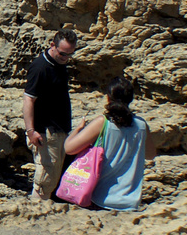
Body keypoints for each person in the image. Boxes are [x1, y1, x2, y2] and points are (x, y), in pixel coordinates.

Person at [64, 76, 155, 212]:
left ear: (108, 97)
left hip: (101, 198)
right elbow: (150, 155)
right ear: (130, 99)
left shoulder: (103, 122)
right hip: (130, 201)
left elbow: (69, 148)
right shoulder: (141, 125)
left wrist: (78, 129)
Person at [22, 30, 78, 201]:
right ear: (52, 45)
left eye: (70, 54)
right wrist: (31, 131)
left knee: (53, 174)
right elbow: (28, 99)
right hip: (46, 131)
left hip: (59, 129)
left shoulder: (59, 64)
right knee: (46, 176)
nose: (65, 57)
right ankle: (36, 210)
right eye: (62, 53)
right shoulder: (41, 67)